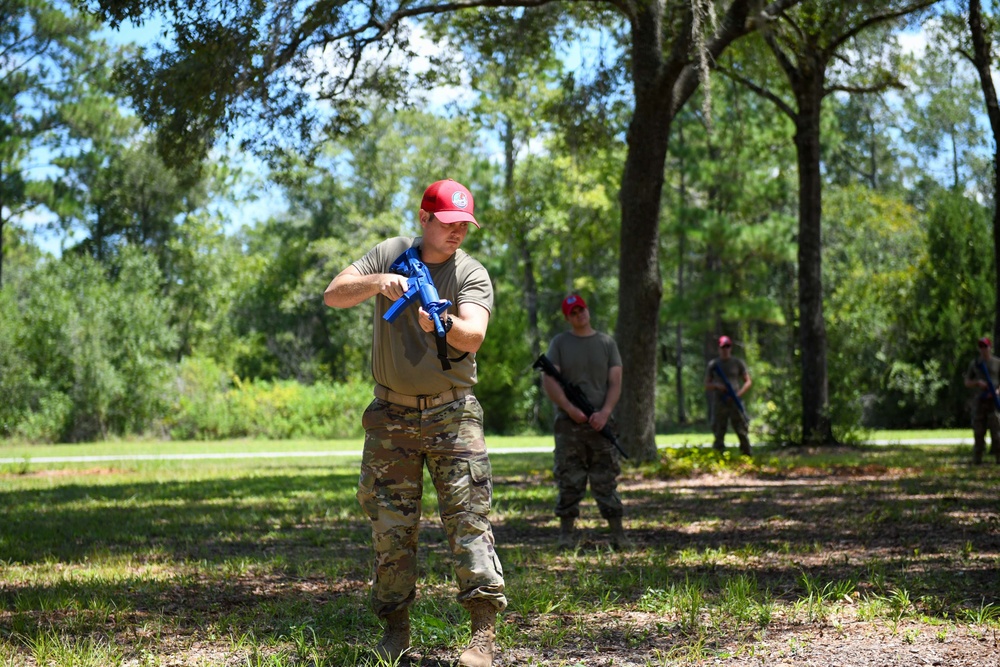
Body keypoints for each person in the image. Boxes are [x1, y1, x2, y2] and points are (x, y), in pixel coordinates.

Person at [323, 179, 505, 667]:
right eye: (449, 224)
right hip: (390, 417)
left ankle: (482, 636)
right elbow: (334, 294)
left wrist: (439, 323)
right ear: (424, 219)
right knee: (391, 528)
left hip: (453, 414)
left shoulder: (471, 273)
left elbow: (474, 335)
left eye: (465, 225)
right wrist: (379, 282)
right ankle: (396, 631)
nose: (458, 234)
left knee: (468, 521)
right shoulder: (390, 252)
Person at [541, 294, 629, 549]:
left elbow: (615, 382)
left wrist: (604, 413)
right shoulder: (560, 343)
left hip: (602, 424)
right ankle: (566, 536)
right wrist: (569, 408)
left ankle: (618, 535)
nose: (580, 315)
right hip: (569, 425)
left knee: (606, 479)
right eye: (574, 312)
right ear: (568, 317)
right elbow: (550, 380)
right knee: (569, 479)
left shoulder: (606, 342)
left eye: (582, 310)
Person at [704, 335, 753, 456]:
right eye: (723, 347)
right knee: (719, 430)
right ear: (719, 348)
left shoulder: (737, 363)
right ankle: (718, 456)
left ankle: (746, 455)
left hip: (735, 401)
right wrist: (717, 386)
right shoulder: (714, 364)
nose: (725, 349)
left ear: (730, 348)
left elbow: (748, 381)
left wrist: (738, 394)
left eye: (727, 346)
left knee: (741, 429)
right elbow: (707, 384)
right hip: (720, 401)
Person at [963, 336, 1000, 465]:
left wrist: (997, 392)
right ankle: (977, 459)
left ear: (990, 347)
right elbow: (967, 382)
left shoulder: (997, 363)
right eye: (981, 347)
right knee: (978, 431)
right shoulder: (975, 364)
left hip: (994, 401)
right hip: (979, 401)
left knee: (997, 432)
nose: (983, 349)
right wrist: (977, 383)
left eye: (985, 346)